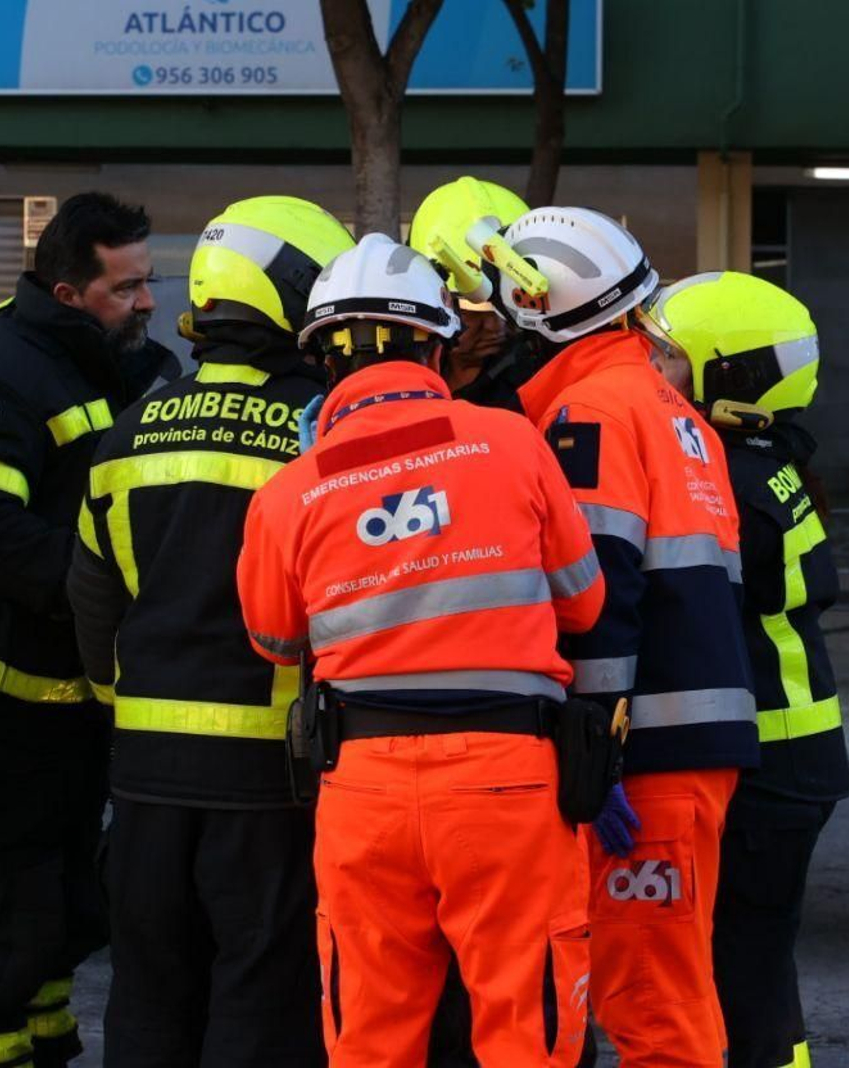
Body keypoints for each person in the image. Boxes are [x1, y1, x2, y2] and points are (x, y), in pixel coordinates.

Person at [237, 233, 606, 1066]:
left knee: (370, 1036)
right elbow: (585, 603)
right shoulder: (511, 442)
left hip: (362, 787)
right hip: (509, 780)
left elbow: (273, 639)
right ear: (437, 346)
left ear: (323, 361)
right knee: (529, 1031)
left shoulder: (289, 492)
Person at [66, 195, 353, 1068]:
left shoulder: (130, 433)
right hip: (272, 781)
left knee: (150, 998)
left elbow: (92, 599)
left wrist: (122, 702)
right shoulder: (320, 438)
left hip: (145, 775)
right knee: (261, 1004)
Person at [0, 192, 170, 1068]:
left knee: (55, 910)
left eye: (147, 282)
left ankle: (44, 1043)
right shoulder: (4, 372)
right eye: (126, 289)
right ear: (67, 293)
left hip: (56, 705)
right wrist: (96, 591)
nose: (147, 302)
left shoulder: (102, 357)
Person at [506, 207, 759, 1067]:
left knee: (648, 997)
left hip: (646, 749)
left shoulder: (589, 413)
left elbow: (598, 591)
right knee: (671, 986)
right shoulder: (672, 410)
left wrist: (595, 747)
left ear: (537, 313)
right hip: (687, 739)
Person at [639, 272, 849, 1068]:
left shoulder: (724, 478)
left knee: (744, 973)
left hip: (768, 765)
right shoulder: (764, 461)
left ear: (730, 377)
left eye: (667, 356)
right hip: (790, 758)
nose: (650, 368)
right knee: (757, 964)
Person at [408, 175, 593, 1068]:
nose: (483, 324)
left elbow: (584, 588)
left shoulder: (542, 400)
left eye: (494, 307)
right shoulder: (397, 393)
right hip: (403, 733)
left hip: (521, 727)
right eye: (467, 306)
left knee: (522, 978)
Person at [407, 175, 544, 410]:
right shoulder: (404, 378)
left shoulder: (534, 386)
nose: (495, 326)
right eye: (475, 307)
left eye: (509, 305)